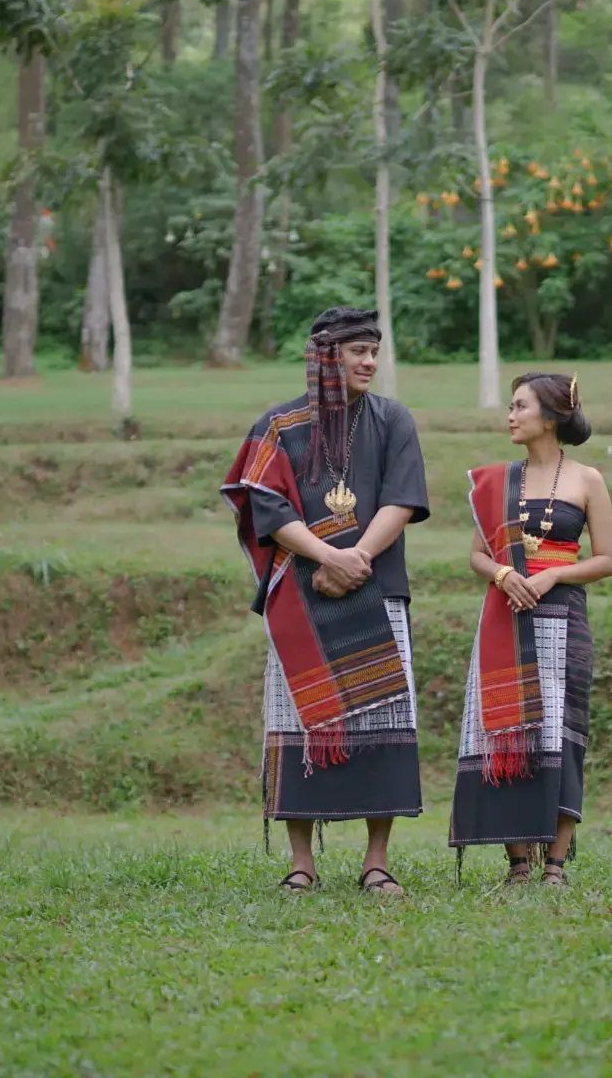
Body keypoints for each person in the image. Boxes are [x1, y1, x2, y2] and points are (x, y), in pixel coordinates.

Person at [221, 307, 430, 896]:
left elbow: (401, 499)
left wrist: (355, 557)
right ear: (325, 356)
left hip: (377, 585)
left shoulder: (393, 419)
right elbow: (268, 508)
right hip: (300, 596)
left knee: (384, 722)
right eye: (358, 351)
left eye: (374, 351)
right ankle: (301, 864)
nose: (370, 362)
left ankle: (376, 862)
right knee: (295, 724)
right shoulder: (279, 425)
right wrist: (326, 558)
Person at [450, 372, 612, 886]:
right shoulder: (498, 482)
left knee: (561, 735)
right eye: (511, 406)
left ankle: (555, 866)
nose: (510, 416)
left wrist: (554, 576)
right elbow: (478, 556)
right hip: (506, 617)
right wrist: (505, 575)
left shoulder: (587, 480)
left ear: (550, 416)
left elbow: (607, 560)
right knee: (508, 732)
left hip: (564, 620)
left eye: (520, 406)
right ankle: (518, 864)